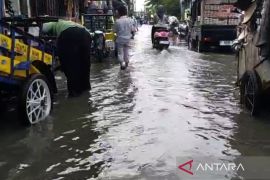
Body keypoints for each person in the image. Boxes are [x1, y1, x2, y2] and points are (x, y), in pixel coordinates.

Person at [42, 20, 91, 97]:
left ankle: (74, 93)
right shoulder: (68, 22)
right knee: (85, 64)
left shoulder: (52, 23)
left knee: (70, 65)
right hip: (86, 34)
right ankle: (86, 89)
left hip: (68, 34)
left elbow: (41, 28)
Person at [113, 5, 133, 70]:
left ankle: (122, 64)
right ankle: (127, 64)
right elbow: (133, 29)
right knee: (126, 51)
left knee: (120, 52)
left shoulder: (117, 21)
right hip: (128, 39)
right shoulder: (130, 20)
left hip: (120, 39)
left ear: (119, 12)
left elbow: (114, 31)